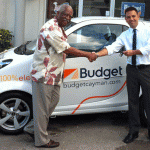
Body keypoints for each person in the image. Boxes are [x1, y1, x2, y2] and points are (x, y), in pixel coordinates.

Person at [23, 4, 97, 148]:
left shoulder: (59, 27)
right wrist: (88, 54)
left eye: (70, 16)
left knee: (52, 103)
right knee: (42, 109)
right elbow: (66, 48)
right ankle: (42, 141)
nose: (68, 18)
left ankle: (32, 128)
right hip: (44, 74)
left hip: (54, 75)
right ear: (58, 13)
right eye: (65, 14)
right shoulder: (50, 28)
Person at [95, 6, 150, 144]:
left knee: (149, 101)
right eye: (128, 17)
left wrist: (134, 52)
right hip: (131, 70)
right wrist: (96, 54)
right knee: (132, 102)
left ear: (138, 15)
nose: (131, 19)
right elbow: (113, 47)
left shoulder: (148, 30)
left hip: (147, 70)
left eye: (133, 16)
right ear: (125, 19)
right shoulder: (125, 35)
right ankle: (133, 132)